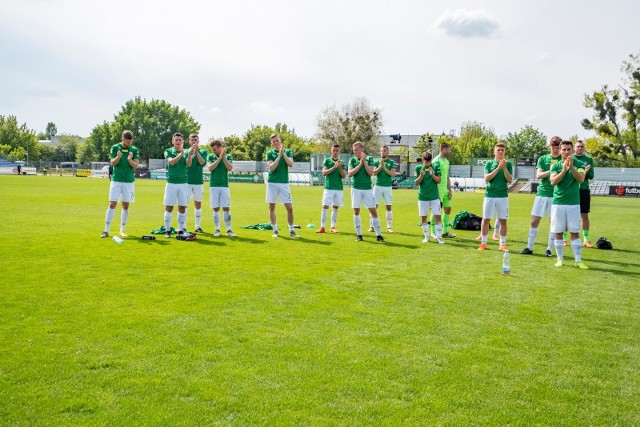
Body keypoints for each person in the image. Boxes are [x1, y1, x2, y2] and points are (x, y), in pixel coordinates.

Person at [519, 136, 563, 256]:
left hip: (556, 195)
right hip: (542, 193)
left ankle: (549, 249)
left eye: (558, 147)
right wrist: (551, 170)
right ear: (550, 146)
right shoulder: (543, 158)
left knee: (552, 223)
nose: (555, 149)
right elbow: (538, 175)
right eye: (553, 147)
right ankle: (529, 247)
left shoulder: (563, 160)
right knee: (534, 221)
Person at [550, 140, 588, 269]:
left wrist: (571, 167)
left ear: (572, 151)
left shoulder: (579, 164)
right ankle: (560, 259)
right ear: (560, 151)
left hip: (573, 204)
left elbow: (581, 179)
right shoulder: (555, 165)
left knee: (575, 232)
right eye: (564, 149)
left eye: (568, 149)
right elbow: (553, 182)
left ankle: (578, 261)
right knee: (558, 232)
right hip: (558, 203)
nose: (566, 152)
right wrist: (564, 170)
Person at [100, 130, 140, 238]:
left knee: (125, 205)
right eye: (127, 142)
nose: (129, 144)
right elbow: (112, 163)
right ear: (122, 139)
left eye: (130, 142)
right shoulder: (115, 147)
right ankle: (106, 230)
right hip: (116, 180)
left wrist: (130, 159)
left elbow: (136, 166)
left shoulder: (134, 149)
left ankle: (122, 230)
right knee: (112, 204)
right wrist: (118, 157)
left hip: (129, 181)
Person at [478, 142, 512, 251]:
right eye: (498, 150)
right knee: (486, 219)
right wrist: (498, 168)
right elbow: (487, 178)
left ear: (505, 152)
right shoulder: (489, 164)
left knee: (503, 220)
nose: (501, 152)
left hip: (502, 196)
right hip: (490, 195)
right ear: (494, 152)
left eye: (502, 150)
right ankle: (483, 243)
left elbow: (510, 180)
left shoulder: (509, 164)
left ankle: (502, 244)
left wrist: (504, 168)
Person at [348, 141, 384, 242]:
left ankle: (379, 235)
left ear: (362, 149)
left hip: (367, 189)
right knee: (356, 211)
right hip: (355, 188)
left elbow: (371, 173)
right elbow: (350, 174)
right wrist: (359, 164)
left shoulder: (369, 159)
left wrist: (364, 162)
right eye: (354, 150)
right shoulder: (352, 160)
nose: (355, 152)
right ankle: (359, 235)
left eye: (357, 150)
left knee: (373, 211)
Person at [265, 133, 298, 238]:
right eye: (273, 142)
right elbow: (272, 168)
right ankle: (275, 230)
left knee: (289, 207)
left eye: (277, 141)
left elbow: (291, 164)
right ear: (272, 144)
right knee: (272, 206)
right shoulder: (269, 153)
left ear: (280, 141)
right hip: (272, 182)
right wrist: (279, 156)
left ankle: (291, 230)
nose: (275, 143)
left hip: (284, 183)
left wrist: (283, 153)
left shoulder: (288, 151)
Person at [162, 133, 191, 238]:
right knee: (169, 207)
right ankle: (168, 230)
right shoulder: (168, 151)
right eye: (176, 140)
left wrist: (187, 154)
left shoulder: (187, 151)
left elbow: (188, 164)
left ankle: (181, 230)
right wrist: (180, 154)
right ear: (172, 141)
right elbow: (172, 162)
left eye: (180, 140)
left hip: (183, 183)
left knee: (182, 207)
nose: (178, 142)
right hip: (171, 183)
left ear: (183, 142)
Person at [207, 139, 236, 237]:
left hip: (224, 186)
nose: (213, 151)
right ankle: (217, 230)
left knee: (226, 208)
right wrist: (218, 158)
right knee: (215, 208)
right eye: (213, 150)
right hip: (214, 186)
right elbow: (210, 168)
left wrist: (223, 158)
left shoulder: (228, 156)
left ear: (220, 148)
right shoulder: (211, 156)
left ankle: (229, 230)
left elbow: (230, 168)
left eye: (215, 149)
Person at [316, 144, 346, 233]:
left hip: (338, 188)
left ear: (339, 151)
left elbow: (344, 176)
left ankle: (333, 227)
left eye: (337, 150)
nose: (335, 152)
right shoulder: (327, 161)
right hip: (328, 188)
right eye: (334, 150)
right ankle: (322, 227)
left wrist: (339, 167)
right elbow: (324, 173)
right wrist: (334, 167)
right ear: (331, 151)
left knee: (335, 207)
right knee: (325, 206)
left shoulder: (341, 162)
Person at [415, 152, 444, 243]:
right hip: (423, 197)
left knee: (438, 216)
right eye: (425, 162)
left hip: (434, 197)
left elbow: (439, 180)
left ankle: (439, 238)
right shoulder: (418, 168)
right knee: (424, 217)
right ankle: (426, 237)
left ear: (431, 160)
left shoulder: (435, 166)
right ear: (422, 160)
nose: (427, 164)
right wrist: (421, 175)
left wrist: (432, 175)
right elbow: (416, 182)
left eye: (429, 162)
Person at [430, 142, 457, 238]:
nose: (450, 151)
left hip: (445, 190)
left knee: (448, 209)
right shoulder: (435, 161)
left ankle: (445, 231)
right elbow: (431, 177)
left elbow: (447, 177)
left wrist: (450, 190)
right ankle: (433, 232)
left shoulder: (446, 161)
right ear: (444, 149)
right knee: (436, 211)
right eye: (449, 149)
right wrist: (434, 191)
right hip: (437, 190)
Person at [369, 145, 396, 233]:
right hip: (378, 186)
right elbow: (374, 173)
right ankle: (371, 226)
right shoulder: (376, 161)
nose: (382, 152)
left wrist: (384, 167)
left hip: (388, 187)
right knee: (374, 206)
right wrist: (381, 166)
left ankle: (389, 227)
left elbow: (392, 174)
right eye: (381, 151)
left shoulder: (391, 162)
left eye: (384, 151)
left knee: (388, 206)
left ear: (387, 152)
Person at [574, 140, 595, 247]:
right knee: (568, 214)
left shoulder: (588, 159)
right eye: (578, 146)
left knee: (584, 215)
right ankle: (564, 239)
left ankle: (586, 240)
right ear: (574, 147)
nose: (580, 148)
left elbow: (591, 176)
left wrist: (586, 171)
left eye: (582, 146)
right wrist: (580, 172)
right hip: (572, 190)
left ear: (584, 148)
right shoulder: (571, 158)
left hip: (584, 189)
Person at [186, 133, 208, 233]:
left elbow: (202, 163)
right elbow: (187, 164)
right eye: (192, 140)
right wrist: (191, 152)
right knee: (184, 204)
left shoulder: (203, 151)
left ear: (198, 141)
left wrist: (196, 152)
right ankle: (183, 226)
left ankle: (197, 226)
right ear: (189, 141)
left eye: (196, 140)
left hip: (198, 182)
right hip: (186, 181)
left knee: (198, 204)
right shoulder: (185, 151)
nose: (194, 142)